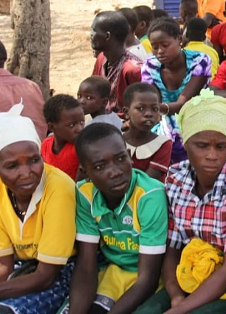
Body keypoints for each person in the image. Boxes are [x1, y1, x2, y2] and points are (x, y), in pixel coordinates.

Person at [134, 89, 226, 314]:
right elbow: (172, 249)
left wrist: (180, 310)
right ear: (185, 143)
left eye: (221, 146)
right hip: (188, 274)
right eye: (202, 146)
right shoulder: (175, 177)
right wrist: (175, 298)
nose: (212, 155)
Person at [0, 104, 76, 313]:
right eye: (12, 166)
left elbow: (45, 276)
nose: (27, 173)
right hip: (15, 268)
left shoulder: (59, 187)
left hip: (58, 273)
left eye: (34, 160)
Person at [63, 123, 167, 313]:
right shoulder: (85, 194)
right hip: (112, 271)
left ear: (129, 156)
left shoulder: (149, 196)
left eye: (120, 158)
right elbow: (87, 266)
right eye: (100, 166)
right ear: (85, 172)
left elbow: (148, 279)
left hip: (152, 277)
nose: (115, 171)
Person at [141, 19, 211, 163]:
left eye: (165, 45)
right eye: (154, 47)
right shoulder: (150, 66)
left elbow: (183, 103)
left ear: (179, 39)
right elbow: (154, 102)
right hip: (164, 120)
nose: (159, 51)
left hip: (197, 114)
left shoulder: (199, 60)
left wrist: (153, 108)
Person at [90, 11, 142, 114]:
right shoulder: (102, 58)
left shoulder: (132, 69)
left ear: (107, 36)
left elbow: (141, 107)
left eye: (94, 30)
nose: (91, 35)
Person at [122, 83, 172, 182]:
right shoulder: (117, 140)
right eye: (140, 108)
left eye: (155, 109)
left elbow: (148, 181)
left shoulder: (163, 143)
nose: (148, 114)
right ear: (126, 112)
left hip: (148, 195)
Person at [41, 94, 85, 180]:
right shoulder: (46, 145)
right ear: (52, 127)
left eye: (82, 122)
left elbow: (78, 187)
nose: (80, 129)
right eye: (72, 125)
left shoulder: (82, 148)